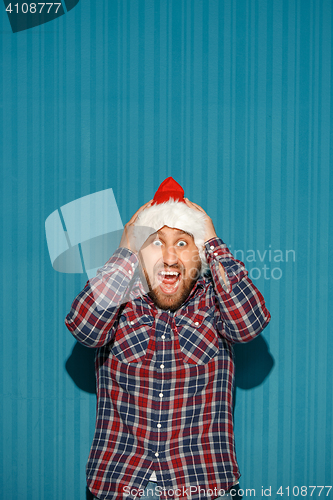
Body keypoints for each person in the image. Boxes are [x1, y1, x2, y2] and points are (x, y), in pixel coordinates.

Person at [65, 177, 271, 500]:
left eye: (182, 243)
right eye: (157, 242)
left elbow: (249, 323)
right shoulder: (119, 301)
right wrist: (124, 251)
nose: (170, 258)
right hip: (118, 484)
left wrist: (214, 243)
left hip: (202, 485)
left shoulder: (216, 302)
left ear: (198, 255)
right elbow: (84, 327)